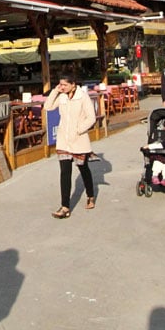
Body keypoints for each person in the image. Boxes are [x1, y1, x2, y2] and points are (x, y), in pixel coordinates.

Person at [44, 70, 97, 219]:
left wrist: (79, 129)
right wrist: (55, 91)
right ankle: (65, 206)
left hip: (79, 140)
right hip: (63, 140)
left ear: (73, 85)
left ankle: (90, 195)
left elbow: (91, 117)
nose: (62, 87)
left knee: (83, 168)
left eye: (65, 85)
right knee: (65, 173)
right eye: (61, 84)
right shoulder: (61, 96)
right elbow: (48, 107)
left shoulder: (82, 97)